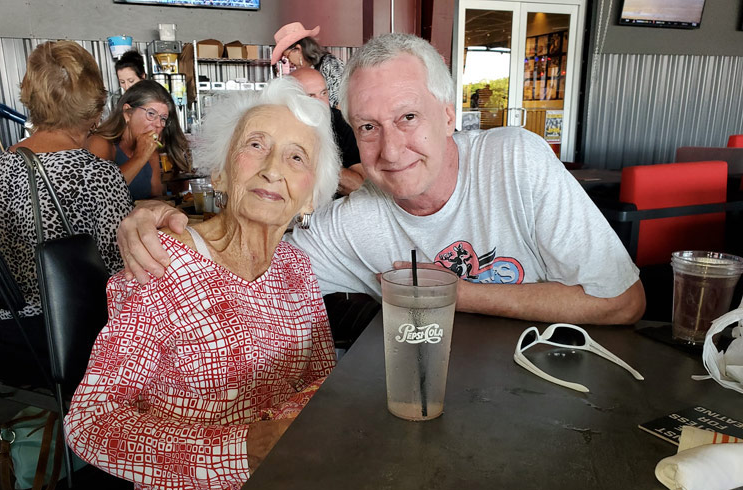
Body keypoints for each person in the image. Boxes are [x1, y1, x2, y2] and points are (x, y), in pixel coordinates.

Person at [118, 33, 646, 326]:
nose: (390, 150)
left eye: (408, 117)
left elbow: (623, 301)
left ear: (447, 115)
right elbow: (243, 264)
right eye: (368, 127)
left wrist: (453, 294)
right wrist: (161, 226)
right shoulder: (354, 223)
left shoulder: (515, 161)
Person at [64, 77, 339, 490]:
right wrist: (245, 448)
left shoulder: (296, 268)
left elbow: (321, 380)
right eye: (255, 146)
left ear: (310, 198)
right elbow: (91, 424)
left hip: (294, 480)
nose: (273, 168)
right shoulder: (162, 264)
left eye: (297, 157)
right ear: (220, 170)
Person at [0, 40, 133, 352]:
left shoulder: (4, 163)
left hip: (9, 331)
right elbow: (121, 270)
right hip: (70, 332)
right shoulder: (98, 173)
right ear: (95, 106)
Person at [88, 80, 190, 200]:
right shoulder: (101, 143)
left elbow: (156, 198)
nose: (158, 124)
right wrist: (140, 156)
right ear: (128, 113)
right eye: (151, 114)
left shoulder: (151, 151)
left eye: (163, 118)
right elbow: (99, 192)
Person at [289, 67, 364, 196]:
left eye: (323, 93)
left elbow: (359, 186)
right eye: (311, 96)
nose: (321, 103)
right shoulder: (281, 124)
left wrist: (317, 163)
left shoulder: (339, 122)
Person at [271, 21, 345, 108]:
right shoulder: (305, 70)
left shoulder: (330, 63)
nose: (289, 61)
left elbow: (341, 103)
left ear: (298, 49)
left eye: (287, 56)